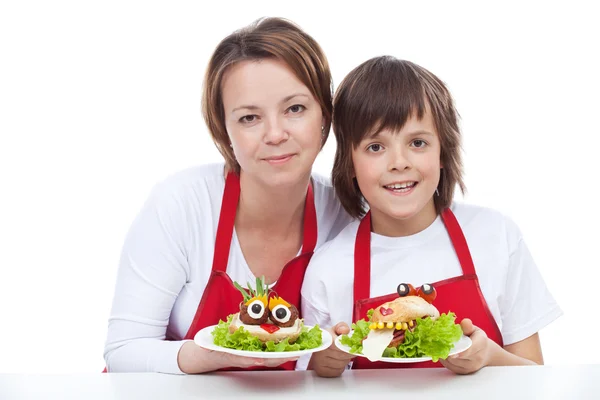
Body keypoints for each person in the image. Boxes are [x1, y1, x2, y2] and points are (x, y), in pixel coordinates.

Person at [103, 17, 353, 374]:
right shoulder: (181, 204)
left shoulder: (347, 217)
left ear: (325, 116)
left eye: (295, 109)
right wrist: (206, 356)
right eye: (250, 117)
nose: (275, 133)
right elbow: (122, 351)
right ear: (224, 132)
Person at [300, 56, 562, 377]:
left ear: (443, 153)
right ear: (349, 163)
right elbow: (311, 383)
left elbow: (537, 378)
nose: (399, 162)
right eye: (375, 147)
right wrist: (323, 365)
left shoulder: (495, 236)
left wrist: (489, 356)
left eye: (418, 142)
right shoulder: (328, 268)